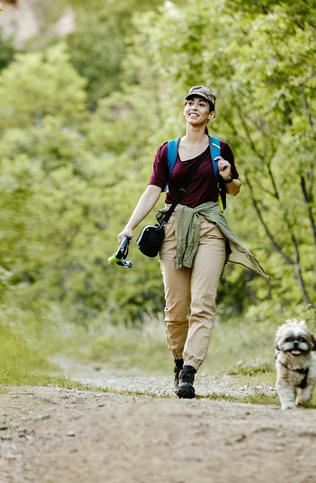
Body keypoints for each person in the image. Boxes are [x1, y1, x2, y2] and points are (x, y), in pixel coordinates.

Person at [117, 86, 271, 399]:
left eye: (202, 104)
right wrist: (129, 226)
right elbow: (152, 191)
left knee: (203, 303)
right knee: (175, 310)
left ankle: (189, 371)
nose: (195, 108)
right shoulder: (168, 150)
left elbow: (235, 189)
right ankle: (178, 362)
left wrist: (227, 176)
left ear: (211, 114)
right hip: (173, 229)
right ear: (185, 110)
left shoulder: (220, 148)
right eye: (191, 103)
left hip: (210, 228)